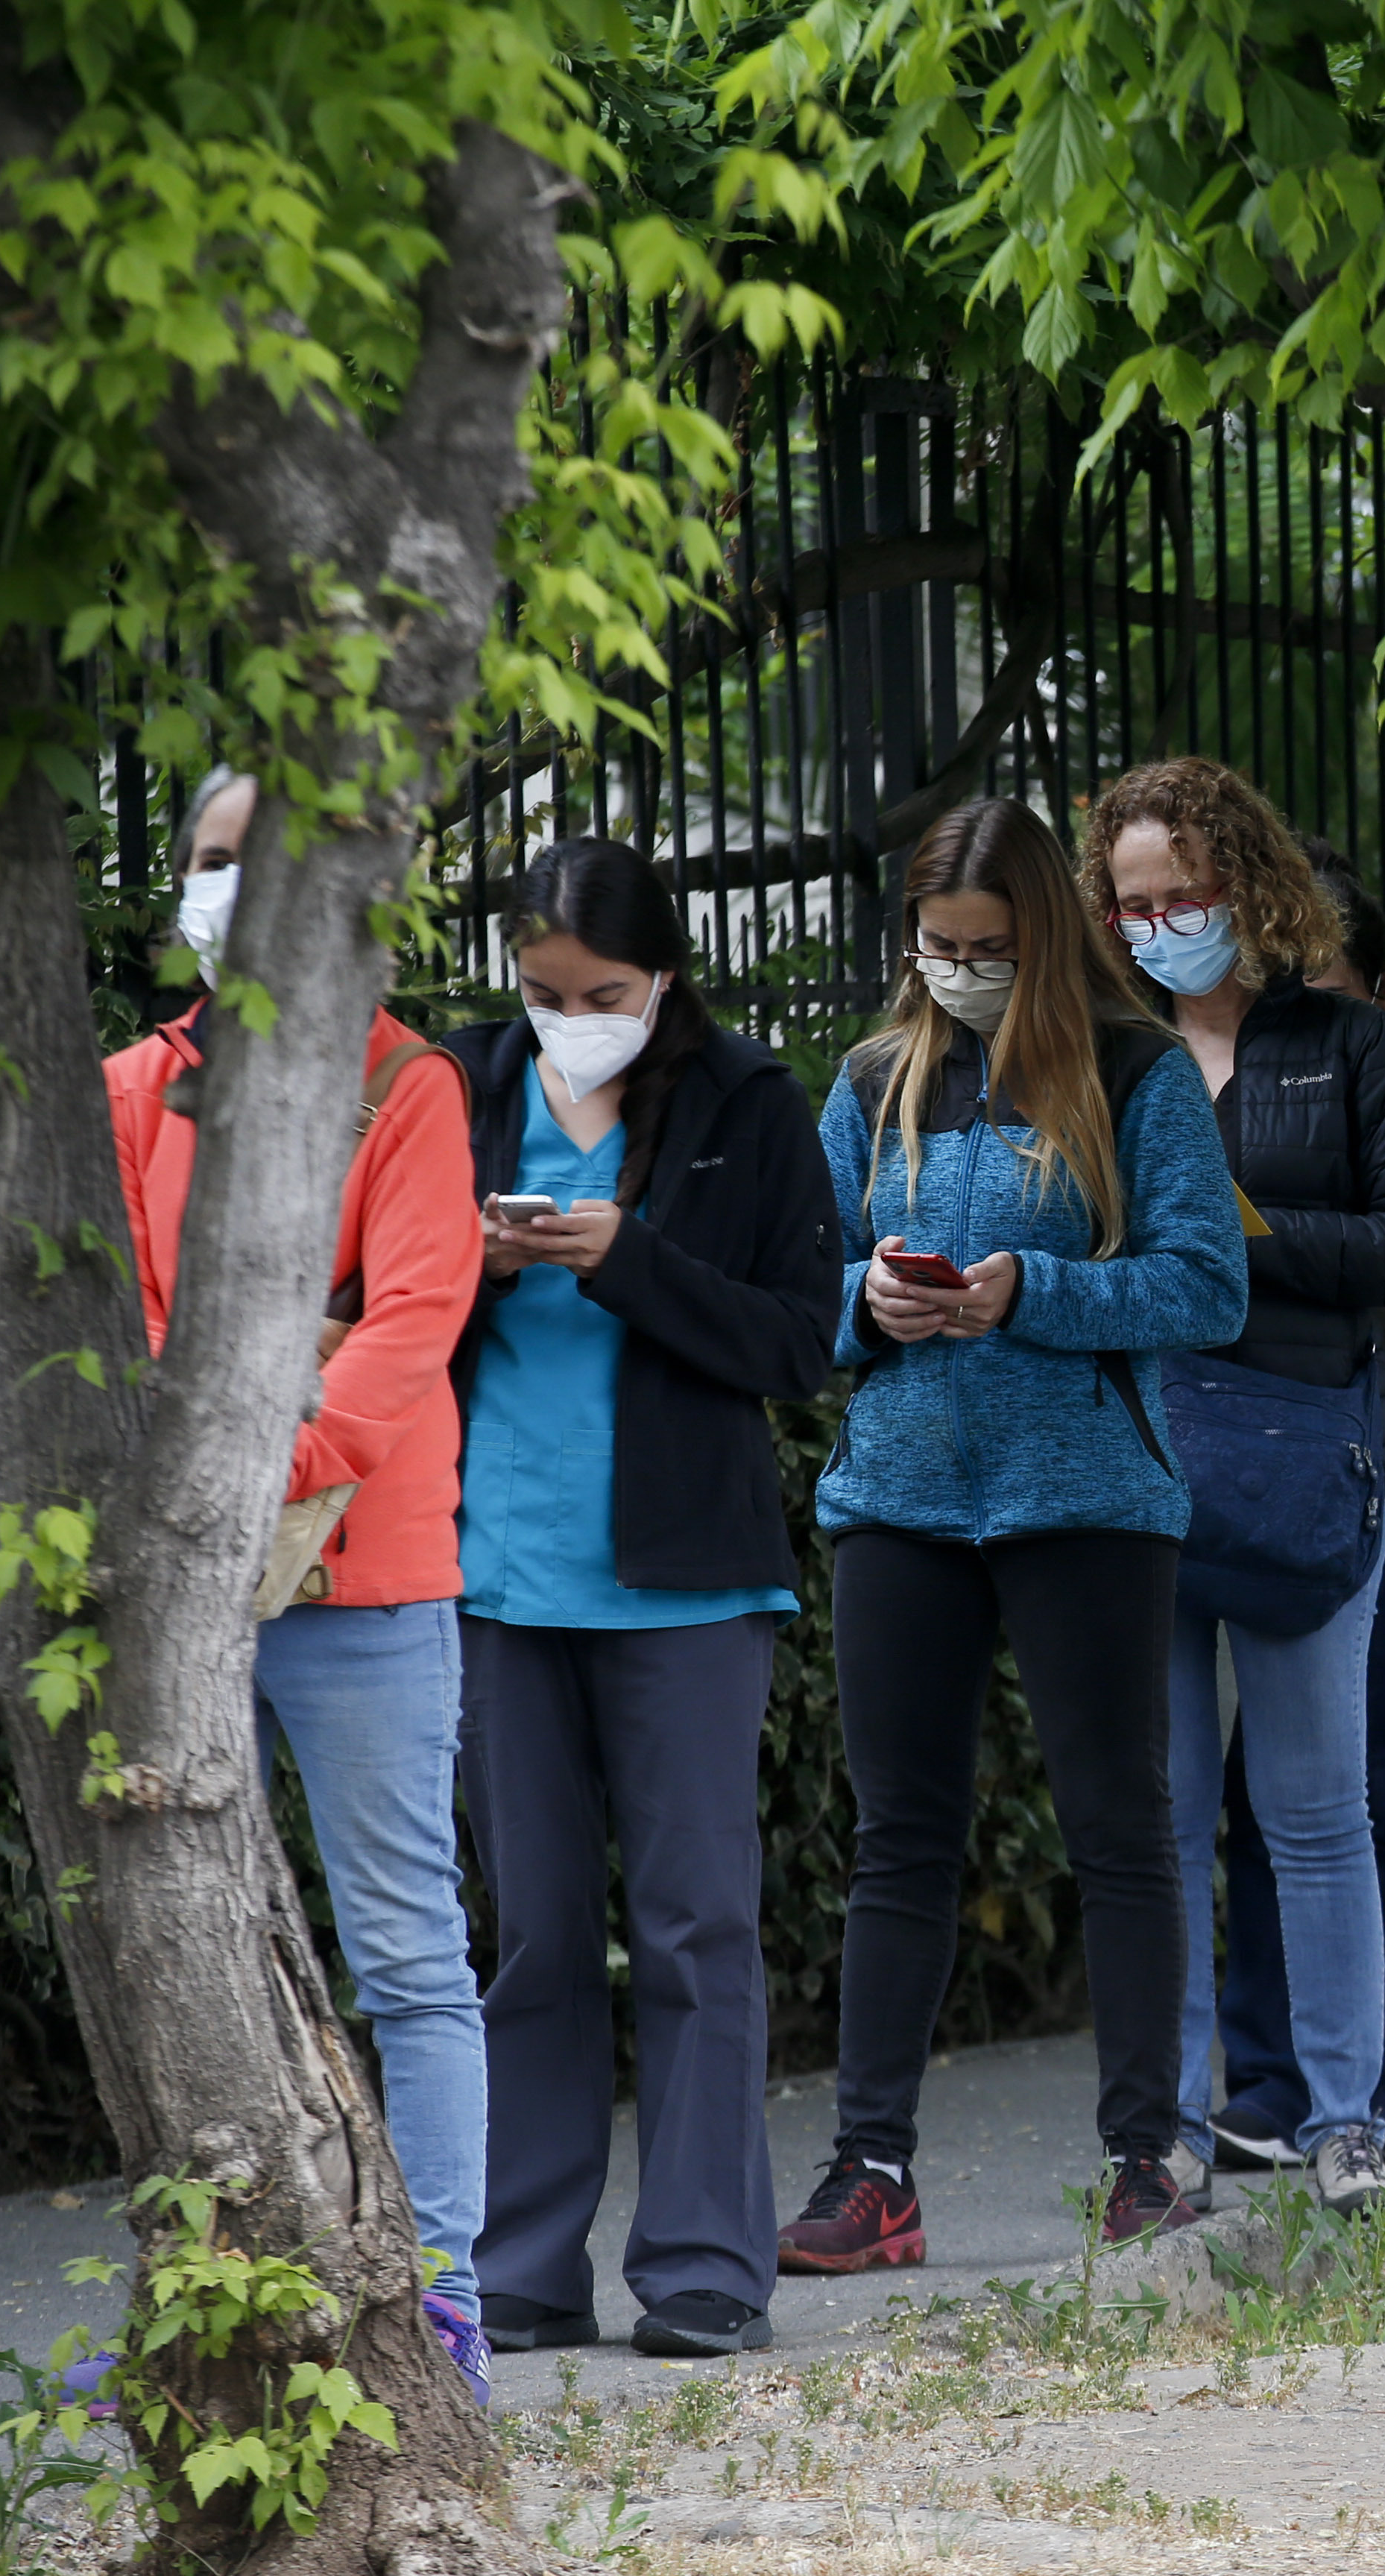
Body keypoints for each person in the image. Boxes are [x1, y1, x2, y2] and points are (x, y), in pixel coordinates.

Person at [777, 798, 1248, 2272]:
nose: (962, 970)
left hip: (1087, 1498)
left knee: (1120, 1827)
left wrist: (1030, 1293)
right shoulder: (872, 1079)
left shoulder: (1137, 1069)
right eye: (940, 944)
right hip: (899, 1498)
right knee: (900, 1841)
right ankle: (871, 2172)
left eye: (990, 947)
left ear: (1044, 937)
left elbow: (1207, 1286)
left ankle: (1144, 2156)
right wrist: (870, 1302)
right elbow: (797, 1292)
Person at [105, 768, 494, 2399]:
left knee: (406, 1956)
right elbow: (123, 1319)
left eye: (262, 859)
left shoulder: (406, 1083)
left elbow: (413, 1319)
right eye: (211, 858)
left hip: (366, 1575)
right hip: (180, 1588)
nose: (232, 885)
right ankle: (217, 2319)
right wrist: (254, 1421)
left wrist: (255, 1445)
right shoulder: (130, 1088)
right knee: (178, 1947)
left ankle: (445, 2310)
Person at [438, 843, 837, 2359]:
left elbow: (796, 1344)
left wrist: (630, 1260)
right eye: (544, 992)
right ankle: (526, 2267)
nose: (572, 1018)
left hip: (686, 1587)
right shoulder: (460, 1085)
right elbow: (372, 1313)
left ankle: (704, 2267)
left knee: (695, 1929)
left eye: (604, 993)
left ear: (664, 976)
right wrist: (473, 1269)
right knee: (531, 1935)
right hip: (494, 1574)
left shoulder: (748, 1100)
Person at [1079, 763, 1385, 2220]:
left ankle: (1345, 2122)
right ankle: (1164, 2133)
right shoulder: (1102, 1056)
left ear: (1247, 888)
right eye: (1131, 906)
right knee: (1158, 1822)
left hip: (1301, 1452)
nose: (1158, 926)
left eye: (1181, 897)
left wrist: (1247, 1237)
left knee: (1316, 1812)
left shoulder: (1355, 1048)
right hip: (1133, 1457)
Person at [1203, 860, 1385, 2176]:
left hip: (1372, 1468)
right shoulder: (1170, 1063)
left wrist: (1258, 1240)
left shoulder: (1378, 1066)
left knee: (1373, 1795)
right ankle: (1255, 2090)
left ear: (1371, 984)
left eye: (1320, 980)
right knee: (1232, 1804)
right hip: (1209, 1461)